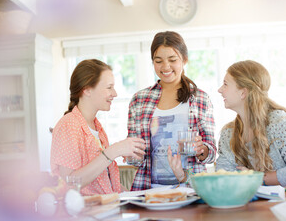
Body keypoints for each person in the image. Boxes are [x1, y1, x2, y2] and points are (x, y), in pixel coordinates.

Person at [127, 31, 216, 191]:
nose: (165, 67)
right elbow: (135, 156)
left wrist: (202, 149)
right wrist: (131, 154)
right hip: (149, 190)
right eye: (158, 61)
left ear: (184, 60)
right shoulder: (139, 100)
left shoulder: (200, 98)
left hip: (191, 189)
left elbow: (210, 152)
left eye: (172, 60)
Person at [51, 59, 145, 195]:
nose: (115, 93)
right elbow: (69, 182)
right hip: (84, 215)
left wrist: (137, 196)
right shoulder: (68, 125)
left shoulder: (97, 128)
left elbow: (104, 183)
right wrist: (114, 151)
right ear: (87, 90)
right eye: (109, 87)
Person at [216, 60, 286, 187]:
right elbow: (223, 177)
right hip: (247, 204)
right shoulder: (228, 133)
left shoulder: (278, 121)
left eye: (225, 84)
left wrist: (256, 178)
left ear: (243, 93)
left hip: (284, 203)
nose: (220, 90)